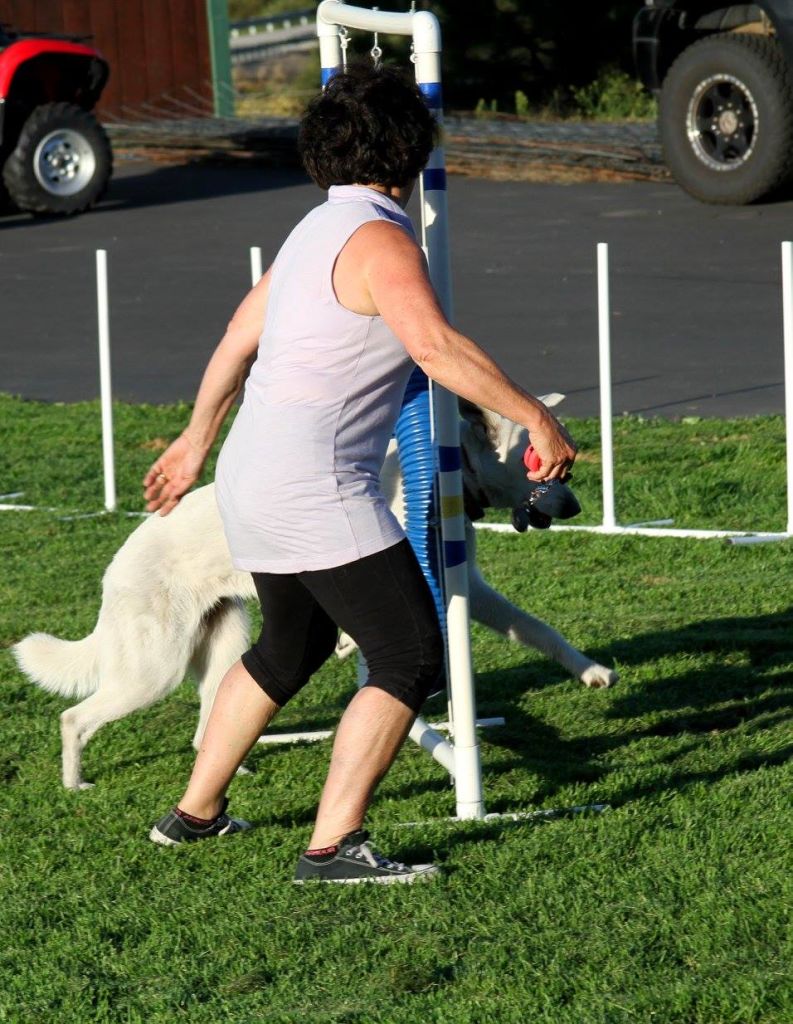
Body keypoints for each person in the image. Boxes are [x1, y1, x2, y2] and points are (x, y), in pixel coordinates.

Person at [143, 63, 576, 884]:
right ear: (410, 155)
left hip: (247, 480)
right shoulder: (383, 239)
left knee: (290, 646)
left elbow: (239, 331)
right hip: (311, 487)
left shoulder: (312, 229)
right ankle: (332, 848)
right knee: (409, 656)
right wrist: (534, 415)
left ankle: (192, 815)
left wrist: (195, 439)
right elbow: (435, 349)